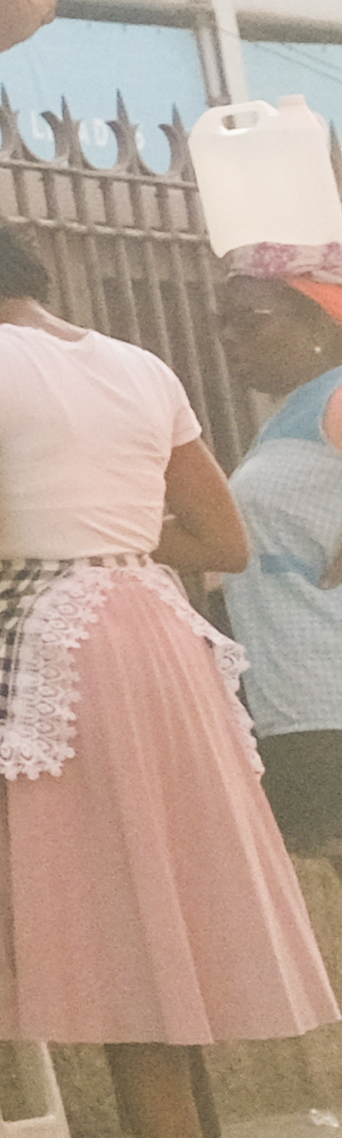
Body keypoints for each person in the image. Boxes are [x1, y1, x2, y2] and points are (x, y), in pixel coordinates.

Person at [0, 218, 332, 1138]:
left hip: (53, 648)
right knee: (158, 910)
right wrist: (113, 537)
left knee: (114, 922)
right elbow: (223, 545)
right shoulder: (138, 367)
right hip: (158, 639)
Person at [211, 250, 342, 867]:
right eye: (224, 323)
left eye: (252, 320)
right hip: (294, 705)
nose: (232, 339)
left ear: (324, 320)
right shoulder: (296, 413)